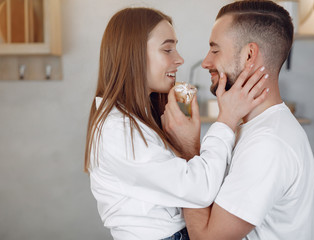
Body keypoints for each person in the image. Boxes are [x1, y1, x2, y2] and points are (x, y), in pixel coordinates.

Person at [84, 7, 269, 240]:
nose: (179, 59)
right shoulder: (116, 131)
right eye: (168, 49)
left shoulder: (140, 118)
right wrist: (226, 120)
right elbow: (199, 191)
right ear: (134, 55)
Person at [163, 1, 314, 239]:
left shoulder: (267, 144)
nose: (206, 62)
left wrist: (187, 150)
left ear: (250, 54)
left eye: (215, 50)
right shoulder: (257, 128)